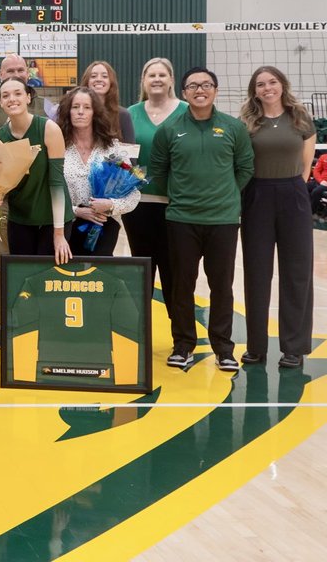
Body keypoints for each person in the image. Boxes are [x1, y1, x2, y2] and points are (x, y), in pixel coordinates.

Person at [150, 67, 253, 372]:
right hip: (182, 218)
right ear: (183, 93)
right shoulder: (169, 130)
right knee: (182, 284)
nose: (200, 90)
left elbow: (245, 168)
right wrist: (182, 194)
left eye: (206, 85)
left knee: (222, 286)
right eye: (193, 86)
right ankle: (183, 345)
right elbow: (158, 170)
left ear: (215, 91)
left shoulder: (233, 128)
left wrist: (226, 195)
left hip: (222, 219)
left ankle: (223, 348)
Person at [239, 66, 315, 368]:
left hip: (293, 193)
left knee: (297, 272)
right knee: (257, 273)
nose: (267, 88)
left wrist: (292, 191)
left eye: (272, 82)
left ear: (282, 84)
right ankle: (256, 346)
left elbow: (306, 165)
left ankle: (293, 347)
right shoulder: (247, 121)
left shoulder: (300, 117)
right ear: (254, 90)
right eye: (260, 84)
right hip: (257, 194)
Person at [0, 54, 45, 334]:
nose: (16, 73)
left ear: (28, 73)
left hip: (34, 198)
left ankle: (32, 319)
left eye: (20, 69)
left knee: (30, 261)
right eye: (9, 70)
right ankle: (3, 322)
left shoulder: (43, 106)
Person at [124, 58, 187, 313]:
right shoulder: (131, 113)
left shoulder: (187, 110)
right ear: (144, 81)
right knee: (142, 268)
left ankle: (181, 340)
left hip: (177, 204)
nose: (157, 79)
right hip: (139, 203)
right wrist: (138, 175)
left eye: (162, 75)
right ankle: (141, 334)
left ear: (171, 79)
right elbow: (122, 157)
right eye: (152, 75)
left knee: (175, 270)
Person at [0, 79, 72, 264]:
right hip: (20, 219)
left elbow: (57, 182)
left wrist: (59, 234)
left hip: (53, 219)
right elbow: (0, 185)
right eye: (5, 95)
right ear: (0, 102)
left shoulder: (49, 129)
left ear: (28, 97)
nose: (12, 99)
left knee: (46, 281)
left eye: (18, 93)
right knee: (22, 282)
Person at [56, 86, 139, 256]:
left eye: (87, 107)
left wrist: (110, 205)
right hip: (65, 226)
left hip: (104, 226)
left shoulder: (112, 149)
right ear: (67, 111)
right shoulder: (57, 147)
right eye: (75, 107)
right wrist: (76, 211)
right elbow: (46, 192)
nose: (80, 112)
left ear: (95, 113)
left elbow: (133, 194)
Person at [80, 60, 134, 143]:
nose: (99, 79)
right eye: (93, 76)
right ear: (86, 82)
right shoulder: (78, 113)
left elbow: (131, 153)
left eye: (104, 76)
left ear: (111, 82)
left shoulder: (123, 115)